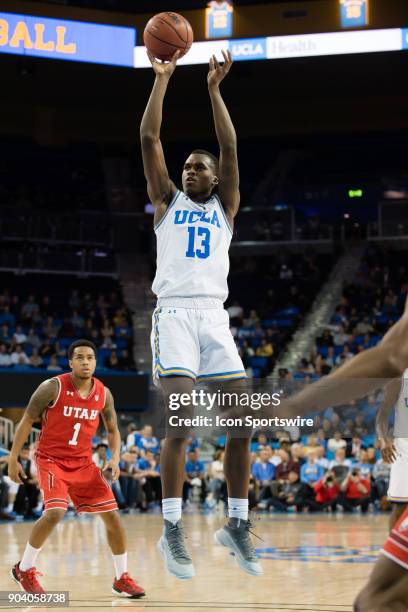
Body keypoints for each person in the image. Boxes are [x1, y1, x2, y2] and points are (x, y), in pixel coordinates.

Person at [140, 47, 261, 580]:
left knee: (243, 424)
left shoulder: (225, 207)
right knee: (182, 423)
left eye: (199, 167)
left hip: (214, 317)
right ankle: (171, 530)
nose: (190, 170)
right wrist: (163, 79)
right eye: (186, 166)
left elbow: (231, 145)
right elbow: (149, 139)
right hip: (175, 316)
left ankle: (236, 523)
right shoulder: (166, 202)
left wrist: (214, 89)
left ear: (215, 179)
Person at [8, 339, 145, 598]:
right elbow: (26, 421)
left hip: (83, 463)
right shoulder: (52, 387)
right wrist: (14, 458)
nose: (85, 362)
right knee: (55, 512)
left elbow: (114, 430)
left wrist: (114, 458)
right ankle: (24, 568)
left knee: (113, 517)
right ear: (70, 362)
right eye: (80, 357)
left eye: (90, 357)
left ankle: (121, 578)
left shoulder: (104, 393)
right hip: (51, 460)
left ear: (96, 361)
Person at [376, 372, 408, 530]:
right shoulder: (398, 379)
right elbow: (382, 416)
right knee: (400, 507)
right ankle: (394, 553)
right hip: (404, 450)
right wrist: (383, 440)